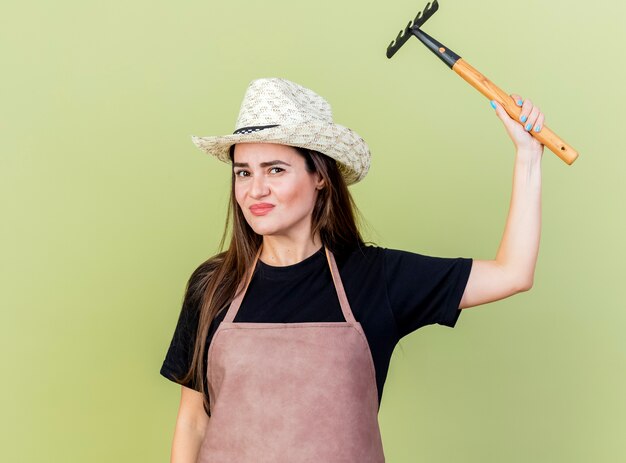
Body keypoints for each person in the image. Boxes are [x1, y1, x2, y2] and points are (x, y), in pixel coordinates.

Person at [160, 77, 544, 462]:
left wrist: (528, 155)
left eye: (275, 170)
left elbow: (513, 273)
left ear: (320, 177)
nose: (255, 190)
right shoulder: (213, 285)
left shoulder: (375, 277)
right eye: (243, 172)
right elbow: (193, 421)